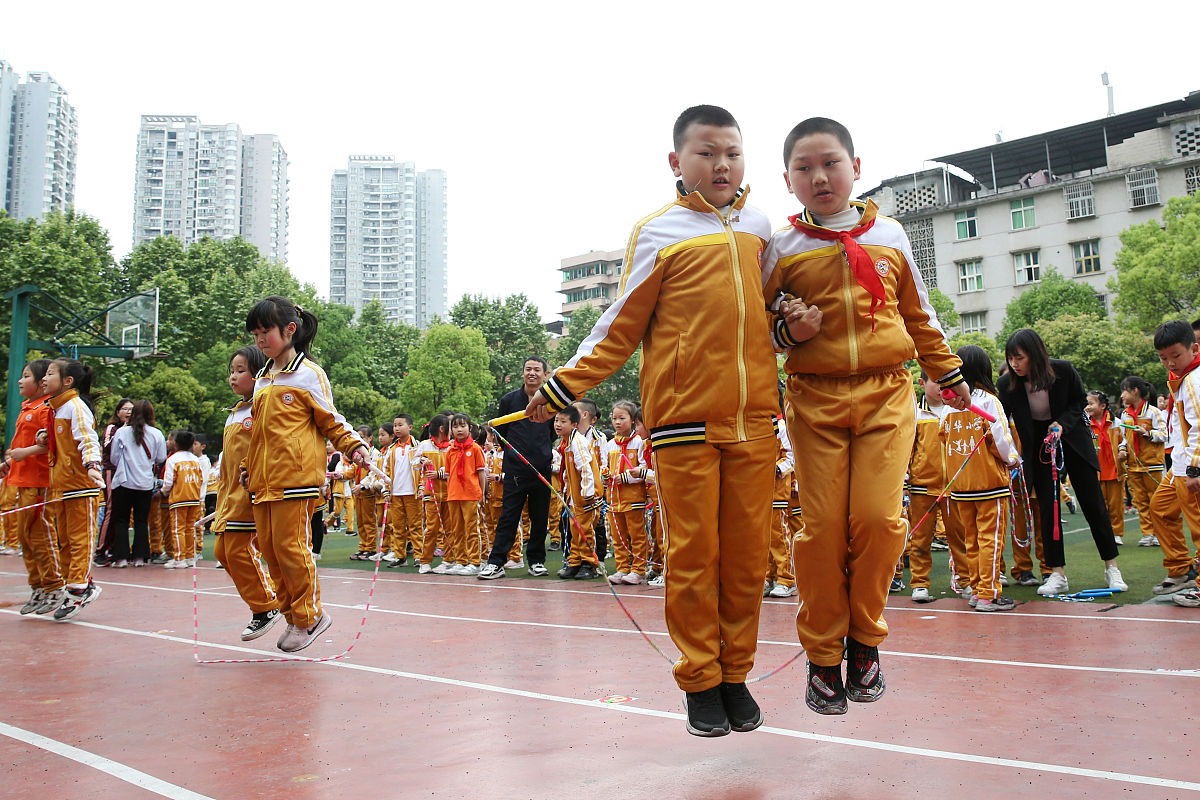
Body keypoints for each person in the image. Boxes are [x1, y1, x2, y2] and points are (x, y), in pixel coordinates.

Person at [526, 105, 778, 737]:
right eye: (706, 153)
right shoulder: (658, 232)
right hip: (683, 423)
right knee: (695, 557)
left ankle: (735, 673)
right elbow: (619, 326)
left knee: (747, 561)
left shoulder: (759, 227)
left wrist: (795, 326)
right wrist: (564, 386)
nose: (721, 165)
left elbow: (772, 313)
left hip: (754, 423)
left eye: (733, 153)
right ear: (676, 162)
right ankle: (700, 680)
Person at [761, 117, 969, 715]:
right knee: (823, 530)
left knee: (878, 522)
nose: (819, 176)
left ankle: (864, 641)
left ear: (856, 168)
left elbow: (920, 313)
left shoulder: (894, 236)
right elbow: (760, 329)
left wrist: (948, 371)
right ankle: (824, 655)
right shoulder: (781, 247)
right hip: (813, 399)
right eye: (804, 168)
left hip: (885, 394)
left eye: (830, 163)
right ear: (787, 179)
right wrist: (787, 328)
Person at [243, 296, 369, 653]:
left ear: (290, 330)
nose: (260, 339)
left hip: (297, 478)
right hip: (263, 481)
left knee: (291, 548)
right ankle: (294, 615)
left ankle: (309, 616)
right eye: (255, 333)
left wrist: (353, 446)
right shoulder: (264, 377)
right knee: (269, 550)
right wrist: (246, 468)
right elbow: (258, 433)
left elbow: (331, 419)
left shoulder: (308, 374)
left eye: (265, 331)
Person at [997, 329, 1126, 597]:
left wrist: (1061, 425)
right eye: (1010, 359)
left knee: (1094, 505)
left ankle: (1111, 567)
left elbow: (1080, 401)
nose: (1014, 364)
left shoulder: (1063, 371)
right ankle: (1057, 573)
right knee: (1049, 509)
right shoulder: (1008, 383)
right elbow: (1000, 418)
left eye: (1019, 358)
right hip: (1040, 450)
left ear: (1034, 355)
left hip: (1072, 440)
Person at [940, 346, 1020, 612]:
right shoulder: (988, 401)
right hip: (989, 486)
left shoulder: (948, 408)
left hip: (961, 487)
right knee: (991, 539)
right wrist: (1013, 459)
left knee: (971, 540)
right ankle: (988, 594)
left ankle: (976, 590)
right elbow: (1001, 439)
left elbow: (943, 440)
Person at [212, 345, 281, 640]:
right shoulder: (236, 412)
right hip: (227, 496)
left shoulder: (260, 407)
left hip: (247, 493)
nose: (233, 376)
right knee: (221, 551)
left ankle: (267, 605)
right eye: (231, 370)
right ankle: (265, 604)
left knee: (238, 549)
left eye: (241, 371)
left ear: (259, 374)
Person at [39, 358, 105, 620]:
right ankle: (80, 584)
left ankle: (78, 591)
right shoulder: (58, 409)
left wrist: (92, 465)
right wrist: (44, 437)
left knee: (80, 541)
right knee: (64, 541)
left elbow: (88, 438)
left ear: (67, 381)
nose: (44, 378)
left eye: (50, 373)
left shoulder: (75, 406)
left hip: (81, 487)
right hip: (62, 488)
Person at [480, 357, 556, 580]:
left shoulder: (551, 400)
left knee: (539, 517)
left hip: (542, 468)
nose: (532, 373)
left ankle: (537, 561)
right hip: (514, 469)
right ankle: (496, 562)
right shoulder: (509, 400)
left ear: (545, 374)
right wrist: (515, 455)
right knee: (508, 516)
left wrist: (540, 450)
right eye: (528, 369)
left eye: (537, 370)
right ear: (522, 372)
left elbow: (552, 432)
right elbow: (502, 433)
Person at [0, 359, 60, 614]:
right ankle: (37, 586)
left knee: (41, 537)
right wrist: (10, 463)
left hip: (38, 483)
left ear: (41, 383)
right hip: (21, 481)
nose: (20, 380)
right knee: (24, 537)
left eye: (26, 376)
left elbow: (49, 444)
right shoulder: (28, 408)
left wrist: (23, 453)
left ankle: (55, 587)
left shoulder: (46, 409)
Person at [1149, 320, 1200, 604]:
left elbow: (1198, 427)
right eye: (1163, 358)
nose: (1169, 363)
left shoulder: (1194, 380)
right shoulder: (1182, 379)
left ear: (1194, 348)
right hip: (1178, 465)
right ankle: (1180, 568)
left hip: (1190, 467)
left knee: (1198, 526)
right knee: (1160, 509)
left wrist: (1195, 468)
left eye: (1175, 356)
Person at [906, 373, 952, 603]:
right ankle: (920, 583)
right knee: (921, 539)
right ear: (923, 383)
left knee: (959, 537)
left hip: (954, 486)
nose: (941, 387)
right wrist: (906, 478)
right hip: (922, 486)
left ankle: (964, 580)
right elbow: (908, 448)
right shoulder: (915, 412)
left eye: (945, 382)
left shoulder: (956, 410)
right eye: (936, 382)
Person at [107, 400, 167, 567]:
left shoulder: (122, 432)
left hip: (123, 481)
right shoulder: (156, 434)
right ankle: (140, 557)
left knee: (122, 520)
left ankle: (121, 558)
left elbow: (114, 458)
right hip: (145, 483)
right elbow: (161, 458)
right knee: (141, 521)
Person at [551, 405, 602, 579]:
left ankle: (589, 564)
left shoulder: (577, 441)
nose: (557, 424)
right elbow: (567, 471)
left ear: (574, 424)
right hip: (573, 495)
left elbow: (585, 468)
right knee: (574, 528)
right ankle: (575, 561)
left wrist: (588, 493)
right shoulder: (565, 442)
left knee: (585, 530)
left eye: (562, 421)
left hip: (585, 496)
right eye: (556, 420)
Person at [604, 401, 651, 586]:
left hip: (633, 498)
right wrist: (605, 477)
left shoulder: (639, 442)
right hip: (614, 498)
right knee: (618, 536)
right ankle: (622, 567)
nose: (617, 422)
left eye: (622, 418)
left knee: (637, 536)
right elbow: (605, 467)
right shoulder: (610, 444)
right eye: (614, 418)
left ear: (632, 420)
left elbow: (644, 468)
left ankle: (638, 570)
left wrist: (624, 478)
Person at [1117, 376, 1165, 546]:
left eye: (1124, 391)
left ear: (1135, 391)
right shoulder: (1125, 415)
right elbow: (1124, 438)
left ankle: (1160, 534)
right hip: (1133, 465)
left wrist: (1146, 433)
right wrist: (1122, 450)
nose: (1122, 396)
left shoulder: (1153, 412)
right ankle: (1147, 533)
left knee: (1156, 500)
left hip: (1152, 464)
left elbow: (1164, 435)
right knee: (1140, 501)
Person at [444, 412, 487, 576]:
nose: (459, 430)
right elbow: (448, 474)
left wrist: (482, 493)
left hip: (471, 494)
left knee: (472, 529)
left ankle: (475, 562)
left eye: (462, 426)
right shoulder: (450, 450)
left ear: (469, 428)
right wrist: (450, 492)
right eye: (455, 427)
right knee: (457, 529)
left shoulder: (475, 449)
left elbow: (481, 473)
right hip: (454, 495)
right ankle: (460, 561)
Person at [94, 397, 133, 564]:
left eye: (132, 409)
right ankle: (100, 550)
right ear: (118, 412)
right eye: (125, 409)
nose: (129, 412)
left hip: (129, 474)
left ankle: (116, 548)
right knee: (111, 508)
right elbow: (108, 447)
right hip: (112, 470)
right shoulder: (113, 428)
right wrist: (122, 429)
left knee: (123, 512)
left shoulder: (136, 430)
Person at [1087, 390, 1126, 546]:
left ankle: (1116, 533)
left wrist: (1123, 450)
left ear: (1103, 406)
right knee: (1099, 506)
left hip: (1114, 470)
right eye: (1087, 404)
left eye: (1091, 403)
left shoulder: (1115, 422)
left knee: (1116, 505)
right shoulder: (1085, 424)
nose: (1087, 407)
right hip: (1096, 471)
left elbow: (1124, 440)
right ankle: (1103, 534)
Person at [161, 430, 205, 568]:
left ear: (176, 443)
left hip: (179, 498)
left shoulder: (173, 459)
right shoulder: (195, 460)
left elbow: (168, 482)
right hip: (194, 497)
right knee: (190, 528)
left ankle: (180, 558)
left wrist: (163, 491)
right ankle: (191, 557)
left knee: (177, 529)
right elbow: (201, 479)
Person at [416, 414, 453, 574]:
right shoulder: (424, 445)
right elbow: (414, 464)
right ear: (442, 429)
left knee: (450, 528)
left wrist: (439, 473)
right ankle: (425, 561)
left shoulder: (451, 447)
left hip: (450, 493)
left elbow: (453, 470)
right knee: (431, 528)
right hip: (431, 494)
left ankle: (448, 560)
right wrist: (421, 462)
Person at [383, 414, 421, 568]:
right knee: (397, 527)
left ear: (410, 427)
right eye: (395, 425)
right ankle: (400, 556)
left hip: (412, 492)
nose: (397, 428)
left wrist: (421, 488)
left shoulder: (418, 446)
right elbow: (386, 472)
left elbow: (422, 470)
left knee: (416, 526)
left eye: (400, 425)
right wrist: (387, 491)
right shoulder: (391, 449)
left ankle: (419, 555)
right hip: (396, 493)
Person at [349, 425, 380, 561]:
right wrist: (337, 475)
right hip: (359, 493)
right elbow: (352, 471)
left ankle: (371, 548)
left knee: (369, 520)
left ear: (369, 438)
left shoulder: (374, 454)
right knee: (360, 521)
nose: (360, 441)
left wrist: (362, 486)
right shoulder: (358, 455)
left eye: (362, 437)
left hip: (367, 492)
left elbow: (374, 473)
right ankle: (363, 546)